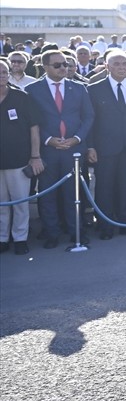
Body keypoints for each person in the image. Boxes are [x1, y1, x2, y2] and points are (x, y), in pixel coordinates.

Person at [25, 49, 94, 248]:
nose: (63, 68)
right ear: (45, 67)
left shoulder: (79, 88)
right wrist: (48, 140)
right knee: (47, 195)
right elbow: (31, 122)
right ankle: (52, 233)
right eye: (57, 65)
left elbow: (88, 116)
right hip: (47, 151)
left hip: (74, 150)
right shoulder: (32, 90)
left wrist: (77, 138)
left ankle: (76, 232)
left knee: (74, 195)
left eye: (65, 64)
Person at [86, 50, 126, 238]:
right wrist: (90, 146)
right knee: (104, 187)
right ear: (107, 66)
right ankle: (105, 226)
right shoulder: (94, 89)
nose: (122, 68)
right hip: (104, 148)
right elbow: (90, 120)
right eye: (116, 64)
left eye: (124, 64)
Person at [0, 59, 43, 255]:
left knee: (19, 202)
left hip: (18, 160)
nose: (1, 76)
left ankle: (20, 237)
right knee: (1, 203)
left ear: (8, 74)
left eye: (3, 72)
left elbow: (34, 128)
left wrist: (35, 155)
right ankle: (2, 237)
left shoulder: (21, 97)